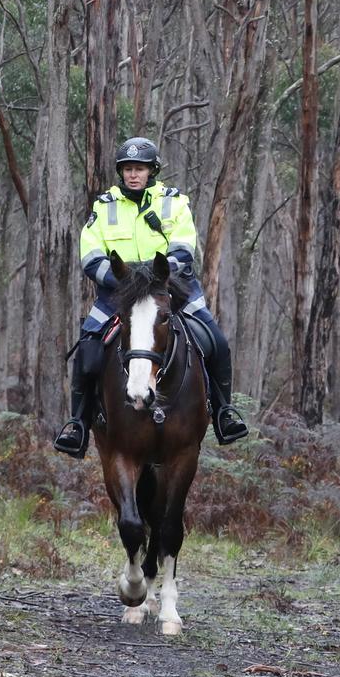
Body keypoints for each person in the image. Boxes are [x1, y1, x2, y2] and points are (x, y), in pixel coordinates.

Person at [53, 137, 249, 456]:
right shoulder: (105, 206)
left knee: (217, 343)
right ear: (121, 173)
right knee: (87, 349)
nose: (133, 175)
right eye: (128, 169)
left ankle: (224, 413)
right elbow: (89, 253)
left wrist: (158, 277)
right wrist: (122, 281)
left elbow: (184, 246)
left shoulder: (173, 202)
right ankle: (78, 424)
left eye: (140, 169)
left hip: (171, 289)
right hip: (119, 293)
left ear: (152, 171)